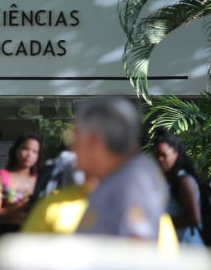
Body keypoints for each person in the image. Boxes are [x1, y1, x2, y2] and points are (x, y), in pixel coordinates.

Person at [72, 98, 168, 240]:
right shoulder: (119, 175)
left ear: (93, 140)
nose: (71, 147)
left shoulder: (135, 179)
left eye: (75, 137)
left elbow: (138, 248)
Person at [152, 128, 203, 270]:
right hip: (171, 247)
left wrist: (163, 222)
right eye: (156, 155)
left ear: (176, 154)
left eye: (164, 155)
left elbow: (195, 218)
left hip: (186, 247)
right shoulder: (168, 181)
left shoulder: (184, 181)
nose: (160, 160)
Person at [0, 134, 41, 236]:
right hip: (9, 234)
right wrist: (19, 205)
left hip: (34, 236)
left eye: (34, 152)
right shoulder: (2, 177)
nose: (29, 154)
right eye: (25, 148)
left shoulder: (40, 179)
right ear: (16, 150)